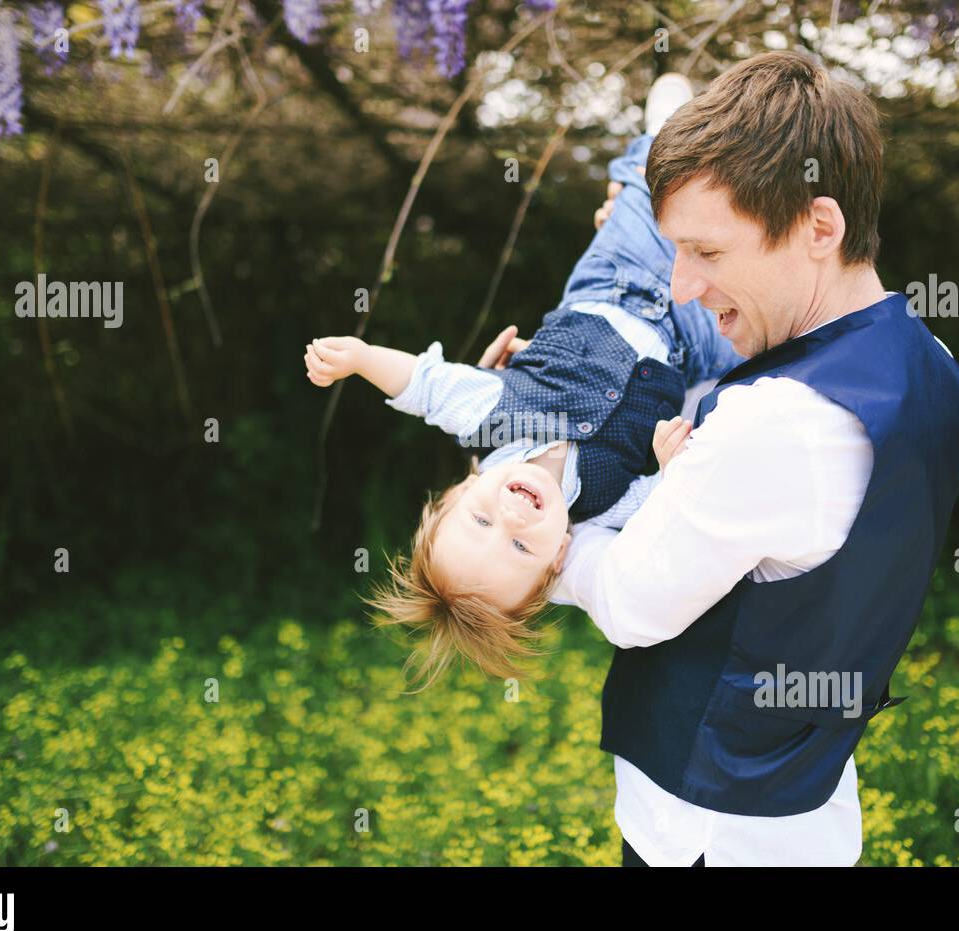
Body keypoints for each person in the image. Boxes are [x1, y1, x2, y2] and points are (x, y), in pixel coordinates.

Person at [553, 51, 959, 866]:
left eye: (706, 252)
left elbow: (634, 602)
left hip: (705, 828)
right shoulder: (934, 362)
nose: (680, 285)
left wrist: (540, 529)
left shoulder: (775, 424)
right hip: (808, 809)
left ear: (820, 227)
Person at [304, 74, 742, 690]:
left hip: (617, 284)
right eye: (519, 550)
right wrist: (672, 470)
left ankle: (667, 130)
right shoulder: (602, 509)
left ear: (460, 490)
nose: (511, 520)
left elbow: (426, 386)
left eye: (480, 522)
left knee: (649, 199)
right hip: (688, 342)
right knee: (750, 320)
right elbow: (663, 504)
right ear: (558, 559)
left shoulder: (493, 417)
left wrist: (361, 356)